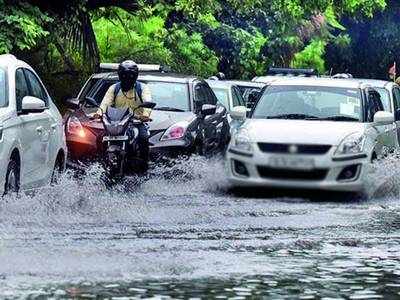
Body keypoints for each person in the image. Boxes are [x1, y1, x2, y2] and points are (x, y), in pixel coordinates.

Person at [97, 60, 152, 170]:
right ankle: (100, 164)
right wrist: (99, 113)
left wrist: (145, 115)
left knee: (143, 138)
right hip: (117, 122)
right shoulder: (114, 88)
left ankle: (144, 165)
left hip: (137, 122)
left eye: (130, 75)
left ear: (135, 75)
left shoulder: (142, 88)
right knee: (100, 138)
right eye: (124, 75)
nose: (127, 78)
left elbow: (147, 100)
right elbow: (105, 102)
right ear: (120, 75)